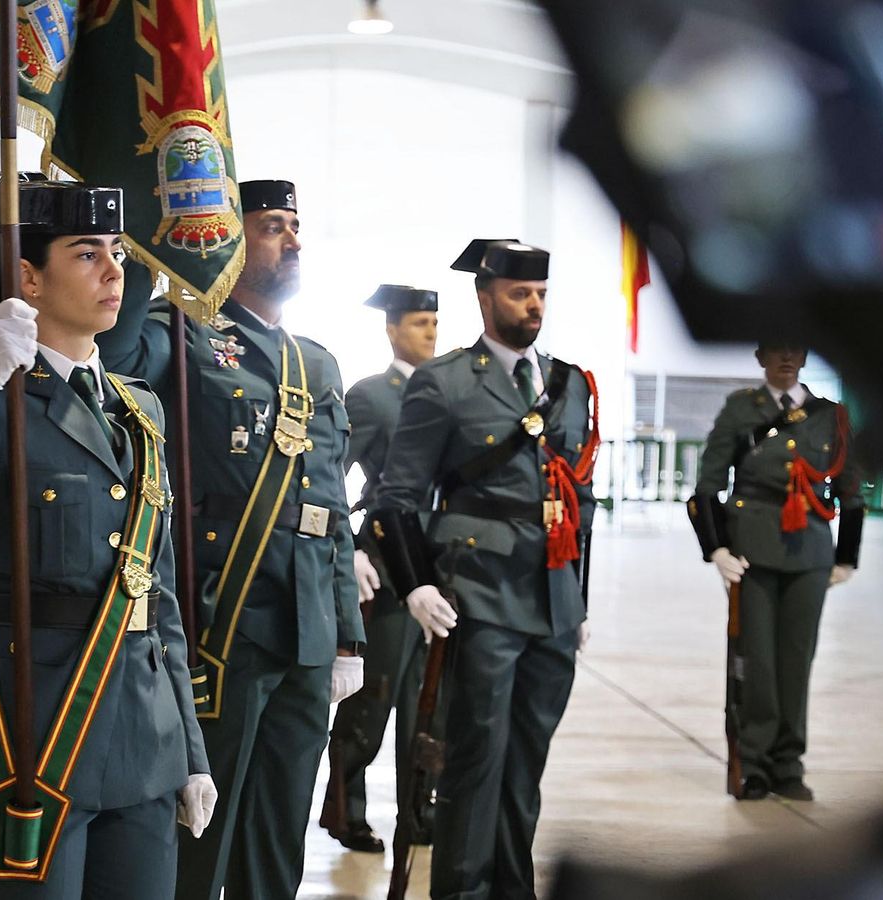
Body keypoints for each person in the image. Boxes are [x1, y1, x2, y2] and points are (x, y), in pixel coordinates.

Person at [0, 174, 213, 899]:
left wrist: (190, 749)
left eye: (117, 251)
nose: (114, 270)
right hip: (30, 729)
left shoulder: (138, 408)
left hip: (144, 739)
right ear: (28, 278)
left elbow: (154, 598)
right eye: (87, 253)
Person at [97, 179, 365, 900]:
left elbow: (330, 505)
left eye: (296, 226)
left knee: (278, 839)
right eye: (274, 226)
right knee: (199, 840)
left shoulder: (317, 363)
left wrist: (348, 634)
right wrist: (151, 259)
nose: (294, 240)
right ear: (233, 240)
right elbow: (112, 360)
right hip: (221, 629)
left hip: (305, 635)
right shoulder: (178, 334)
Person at [373, 238, 599, 900]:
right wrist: (414, 581)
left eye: (541, 295)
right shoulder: (444, 383)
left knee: (525, 766)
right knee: (475, 763)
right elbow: (398, 498)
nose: (533, 306)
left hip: (552, 601)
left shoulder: (571, 385)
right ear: (485, 296)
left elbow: (578, 501)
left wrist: (578, 600)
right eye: (519, 294)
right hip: (479, 595)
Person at [688, 340, 864, 802]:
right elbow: (707, 484)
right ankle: (756, 763)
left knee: (796, 662)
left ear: (805, 358)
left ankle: (789, 764)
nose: (786, 358)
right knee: (758, 662)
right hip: (753, 551)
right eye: (776, 350)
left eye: (795, 351)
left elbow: (851, 489)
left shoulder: (831, 415)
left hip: (810, 552)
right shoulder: (741, 409)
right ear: (760, 358)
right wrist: (716, 548)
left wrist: (847, 556)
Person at [321, 283, 440, 854]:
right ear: (392, 329)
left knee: (427, 702)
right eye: (419, 324)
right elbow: (330, 477)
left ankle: (419, 811)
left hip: (436, 567)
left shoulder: (445, 393)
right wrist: (350, 550)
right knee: (376, 698)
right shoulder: (372, 396)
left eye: (435, 325)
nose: (431, 336)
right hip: (386, 569)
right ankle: (347, 811)